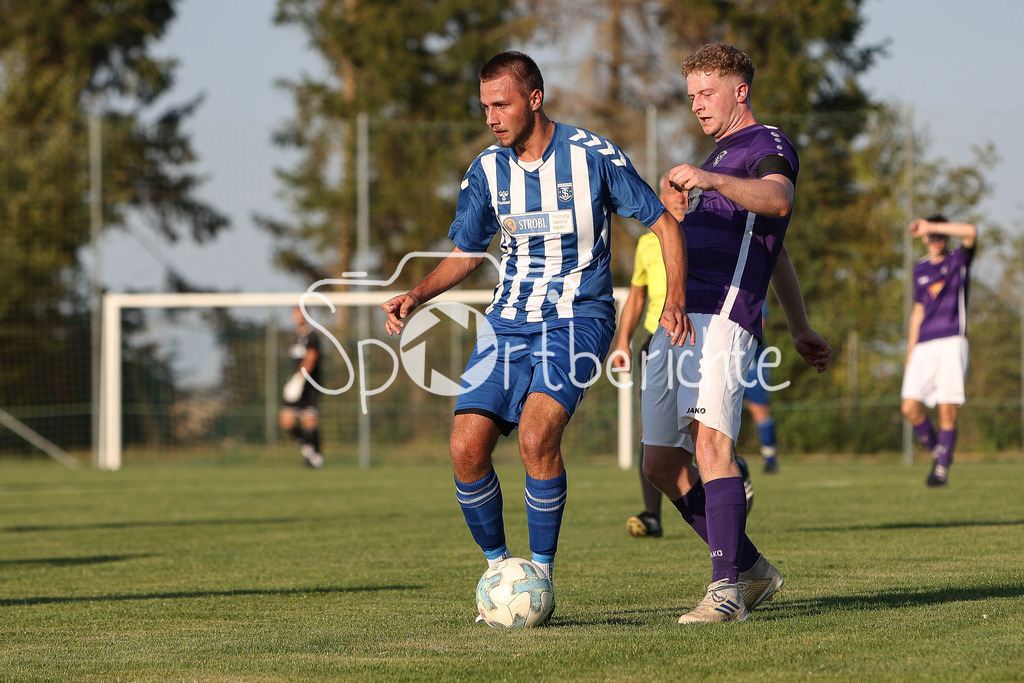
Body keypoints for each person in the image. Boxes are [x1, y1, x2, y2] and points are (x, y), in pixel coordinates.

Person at [380, 51, 693, 612]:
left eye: (501, 104)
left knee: (535, 435)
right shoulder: (485, 170)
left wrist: (675, 299)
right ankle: (502, 576)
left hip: (579, 318)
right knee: (465, 448)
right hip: (506, 324)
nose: (491, 117)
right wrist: (416, 294)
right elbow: (467, 253)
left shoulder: (592, 155)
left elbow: (664, 223)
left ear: (534, 99)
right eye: (484, 107)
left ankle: (540, 577)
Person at [641, 43, 830, 624]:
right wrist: (800, 327)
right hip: (679, 317)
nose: (697, 103)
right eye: (692, 93)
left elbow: (778, 202)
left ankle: (725, 593)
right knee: (658, 465)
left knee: (710, 447)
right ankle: (749, 569)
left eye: (707, 92)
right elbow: (780, 254)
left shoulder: (765, 144)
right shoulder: (719, 157)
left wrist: (709, 179)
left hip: (724, 316)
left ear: (739, 91)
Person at [612, 173, 753, 539]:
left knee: (703, 433)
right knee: (654, 435)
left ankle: (729, 471)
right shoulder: (647, 242)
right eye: (673, 190)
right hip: (658, 338)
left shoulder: (711, 233)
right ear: (660, 195)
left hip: (701, 334)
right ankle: (651, 513)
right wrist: (623, 341)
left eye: (686, 189)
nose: (681, 196)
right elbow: (637, 294)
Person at [900, 215, 977, 487]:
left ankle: (941, 471)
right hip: (923, 345)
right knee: (909, 406)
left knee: (947, 407)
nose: (935, 241)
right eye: (931, 236)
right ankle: (939, 452)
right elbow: (918, 310)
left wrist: (933, 226)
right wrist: (910, 349)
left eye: (939, 236)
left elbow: (970, 231)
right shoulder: (919, 269)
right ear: (923, 240)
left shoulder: (958, 260)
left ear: (944, 236)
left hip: (952, 341)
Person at [279, 306, 324, 468]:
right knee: (286, 421)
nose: (297, 317)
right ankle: (309, 451)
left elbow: (311, 358)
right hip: (296, 385)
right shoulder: (295, 336)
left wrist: (299, 378)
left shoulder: (312, 336)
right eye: (294, 314)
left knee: (309, 422)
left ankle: (316, 457)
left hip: (309, 385)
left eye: (300, 314)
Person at [743, 303, 780, 474]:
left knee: (760, 411)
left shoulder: (754, 285)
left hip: (753, 365)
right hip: (724, 361)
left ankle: (770, 460)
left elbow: (762, 322)